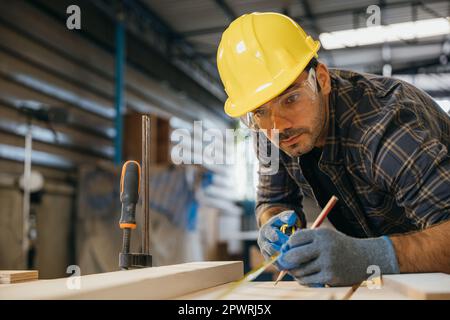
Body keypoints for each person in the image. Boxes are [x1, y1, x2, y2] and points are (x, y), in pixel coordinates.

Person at [216, 12, 450, 286]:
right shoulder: (268, 128)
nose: (278, 127)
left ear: (322, 79)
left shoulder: (386, 128)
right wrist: (274, 224)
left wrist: (371, 257)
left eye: (290, 99)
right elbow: (274, 199)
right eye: (259, 111)